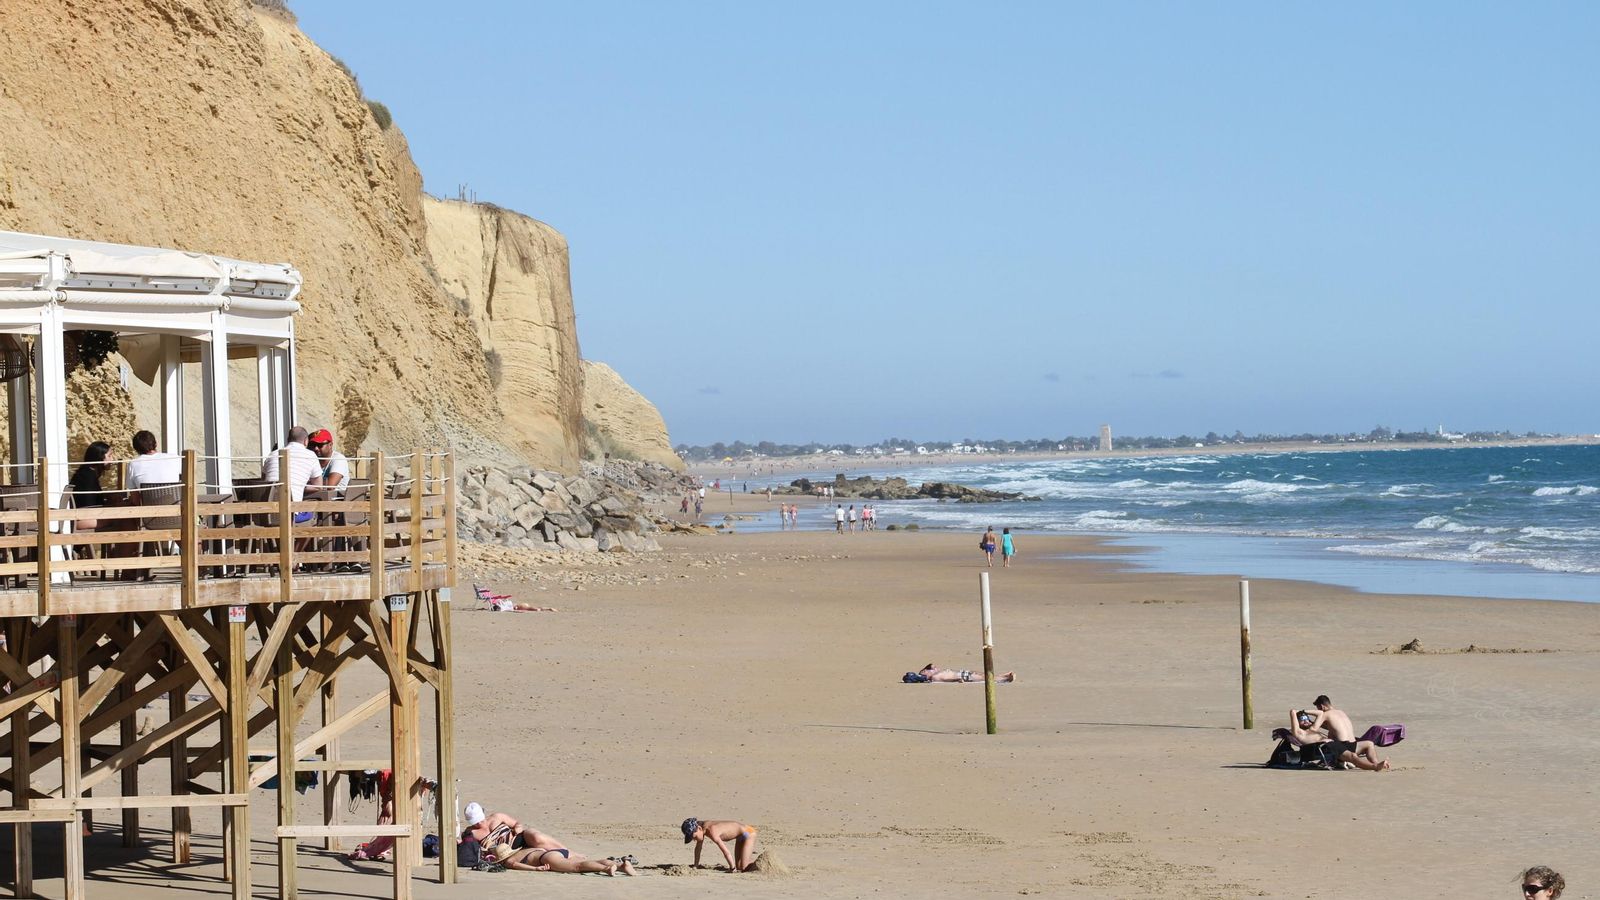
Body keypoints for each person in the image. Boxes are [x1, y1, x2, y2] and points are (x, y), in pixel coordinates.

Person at [1304, 695, 1390, 771]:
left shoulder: (1325, 714)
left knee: (1353, 757)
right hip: (1353, 744)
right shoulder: (1341, 712)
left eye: (1318, 709)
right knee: (1369, 744)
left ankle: (1376, 766)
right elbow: (1333, 728)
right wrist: (1312, 722)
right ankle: (1376, 763)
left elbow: (1314, 729)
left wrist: (1306, 713)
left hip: (1343, 746)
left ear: (1322, 706)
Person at [260, 426, 323, 523]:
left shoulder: (272, 454)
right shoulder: (310, 455)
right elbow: (318, 486)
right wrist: (299, 486)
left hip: (266, 513)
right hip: (291, 513)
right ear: (306, 441)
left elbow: (264, 481)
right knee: (313, 514)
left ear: (288, 440)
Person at [460, 801, 568, 853]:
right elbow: (468, 847)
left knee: (537, 838)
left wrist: (518, 828)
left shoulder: (497, 817)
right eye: (475, 822)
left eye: (480, 819)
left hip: (517, 838)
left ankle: (566, 850)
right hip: (505, 852)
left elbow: (517, 823)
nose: (479, 823)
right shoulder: (471, 832)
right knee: (542, 852)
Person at [486, 842, 635, 876]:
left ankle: (606, 868)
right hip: (553, 852)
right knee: (581, 863)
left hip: (546, 858)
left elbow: (516, 865)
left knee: (578, 867)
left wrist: (535, 868)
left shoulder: (508, 861)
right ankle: (621, 865)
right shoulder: (523, 850)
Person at [681, 817, 759, 873]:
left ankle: (761, 864)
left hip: (748, 832)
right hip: (740, 836)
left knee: (744, 867)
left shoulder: (711, 830)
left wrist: (732, 868)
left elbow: (725, 851)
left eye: (694, 837)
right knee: (739, 867)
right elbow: (698, 849)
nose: (694, 840)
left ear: (699, 828)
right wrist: (695, 866)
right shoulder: (702, 829)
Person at [68, 441, 112, 531]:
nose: (113, 460)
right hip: (81, 520)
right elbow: (89, 506)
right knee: (121, 519)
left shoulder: (87, 473)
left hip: (81, 517)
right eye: (109, 456)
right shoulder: (88, 477)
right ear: (100, 457)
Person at [307, 428, 348, 496]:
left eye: (320, 445)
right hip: (316, 498)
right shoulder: (312, 459)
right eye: (313, 445)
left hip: (337, 500)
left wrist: (308, 484)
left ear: (330, 445)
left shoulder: (339, 459)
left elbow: (330, 486)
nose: (316, 448)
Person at [913, 663, 1017, 683]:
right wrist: (958, 679)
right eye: (925, 671)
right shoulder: (935, 677)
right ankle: (1006, 679)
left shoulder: (936, 673)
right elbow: (946, 679)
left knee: (983, 675)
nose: (932, 669)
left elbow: (932, 665)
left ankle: (1003, 676)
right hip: (962, 676)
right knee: (983, 677)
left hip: (963, 673)